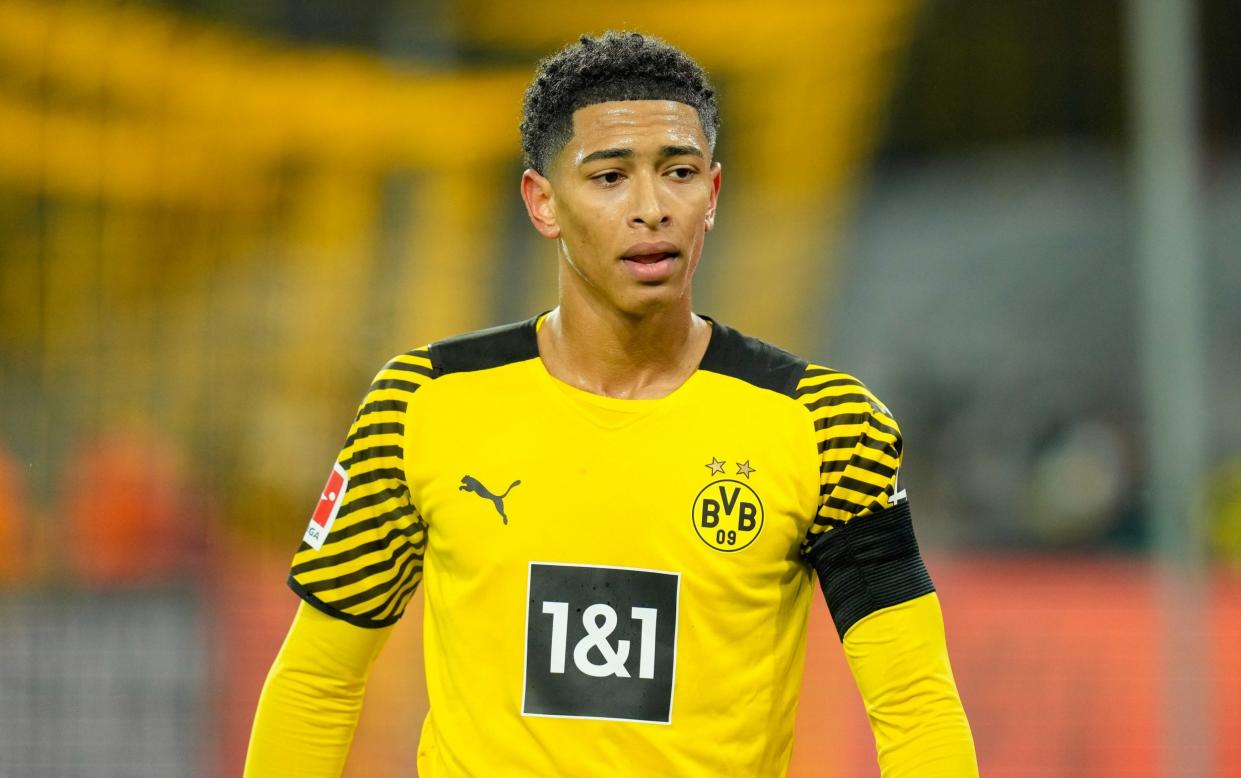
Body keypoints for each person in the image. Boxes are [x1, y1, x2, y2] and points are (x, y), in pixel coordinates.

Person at [245, 31, 976, 777]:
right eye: (608, 177)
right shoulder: (423, 404)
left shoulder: (824, 423)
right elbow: (317, 681)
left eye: (679, 172)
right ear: (542, 203)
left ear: (712, 195)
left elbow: (915, 702)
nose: (651, 208)